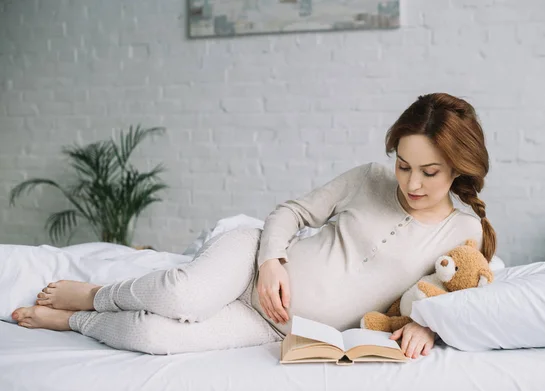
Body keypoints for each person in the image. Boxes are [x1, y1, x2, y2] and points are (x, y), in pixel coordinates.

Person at [11, 93, 496, 360]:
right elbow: (289, 213)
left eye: (429, 172)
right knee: (183, 298)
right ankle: (94, 294)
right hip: (251, 265)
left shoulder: (463, 232)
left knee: (159, 340)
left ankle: (73, 321)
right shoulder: (368, 178)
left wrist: (425, 330)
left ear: (458, 167)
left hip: (279, 326)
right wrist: (271, 263)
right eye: (403, 165)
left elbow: (448, 295)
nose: (411, 182)